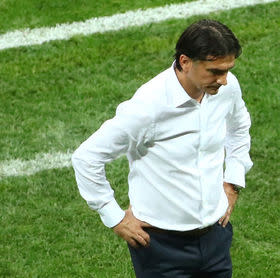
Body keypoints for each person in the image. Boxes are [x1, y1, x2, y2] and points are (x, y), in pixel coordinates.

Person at [71, 19, 253, 277]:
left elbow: (239, 127)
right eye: (214, 71)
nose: (223, 80)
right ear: (185, 61)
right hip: (161, 248)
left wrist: (233, 180)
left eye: (227, 70)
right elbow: (86, 157)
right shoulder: (149, 107)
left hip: (216, 237)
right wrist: (114, 217)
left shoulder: (227, 88)